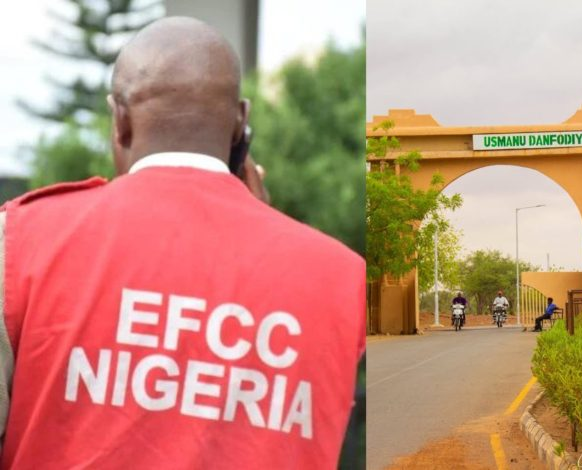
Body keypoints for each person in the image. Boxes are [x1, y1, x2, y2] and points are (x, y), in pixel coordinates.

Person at [0, 17, 364, 469]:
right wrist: (271, 231)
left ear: (120, 120)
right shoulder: (342, 278)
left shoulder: (20, 240)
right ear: (240, 125)